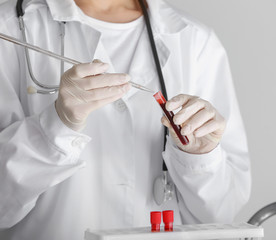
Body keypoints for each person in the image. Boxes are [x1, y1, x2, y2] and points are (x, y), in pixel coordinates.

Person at [0, 0, 251, 239]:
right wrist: (56, 126)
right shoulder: (8, 27)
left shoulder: (194, 40)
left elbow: (220, 213)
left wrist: (201, 157)